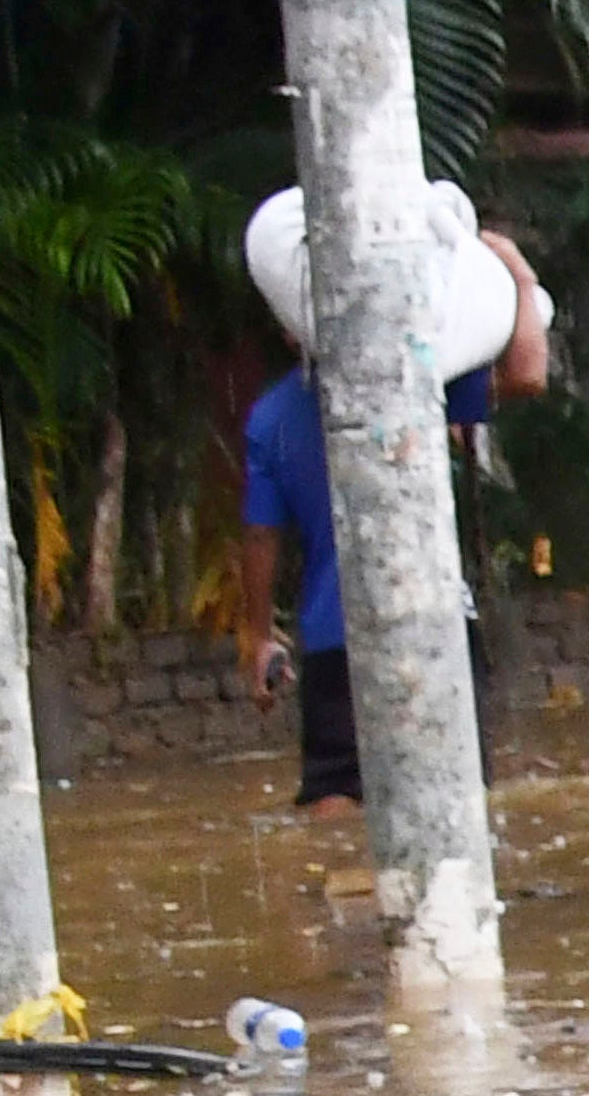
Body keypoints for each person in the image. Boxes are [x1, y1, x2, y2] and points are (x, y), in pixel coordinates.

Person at [235, 185, 550, 816]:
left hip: (332, 639)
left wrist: (256, 637)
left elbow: (260, 539)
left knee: (335, 802)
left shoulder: (270, 419)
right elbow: (528, 374)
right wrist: (516, 273)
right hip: (435, 625)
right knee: (456, 802)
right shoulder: (421, 380)